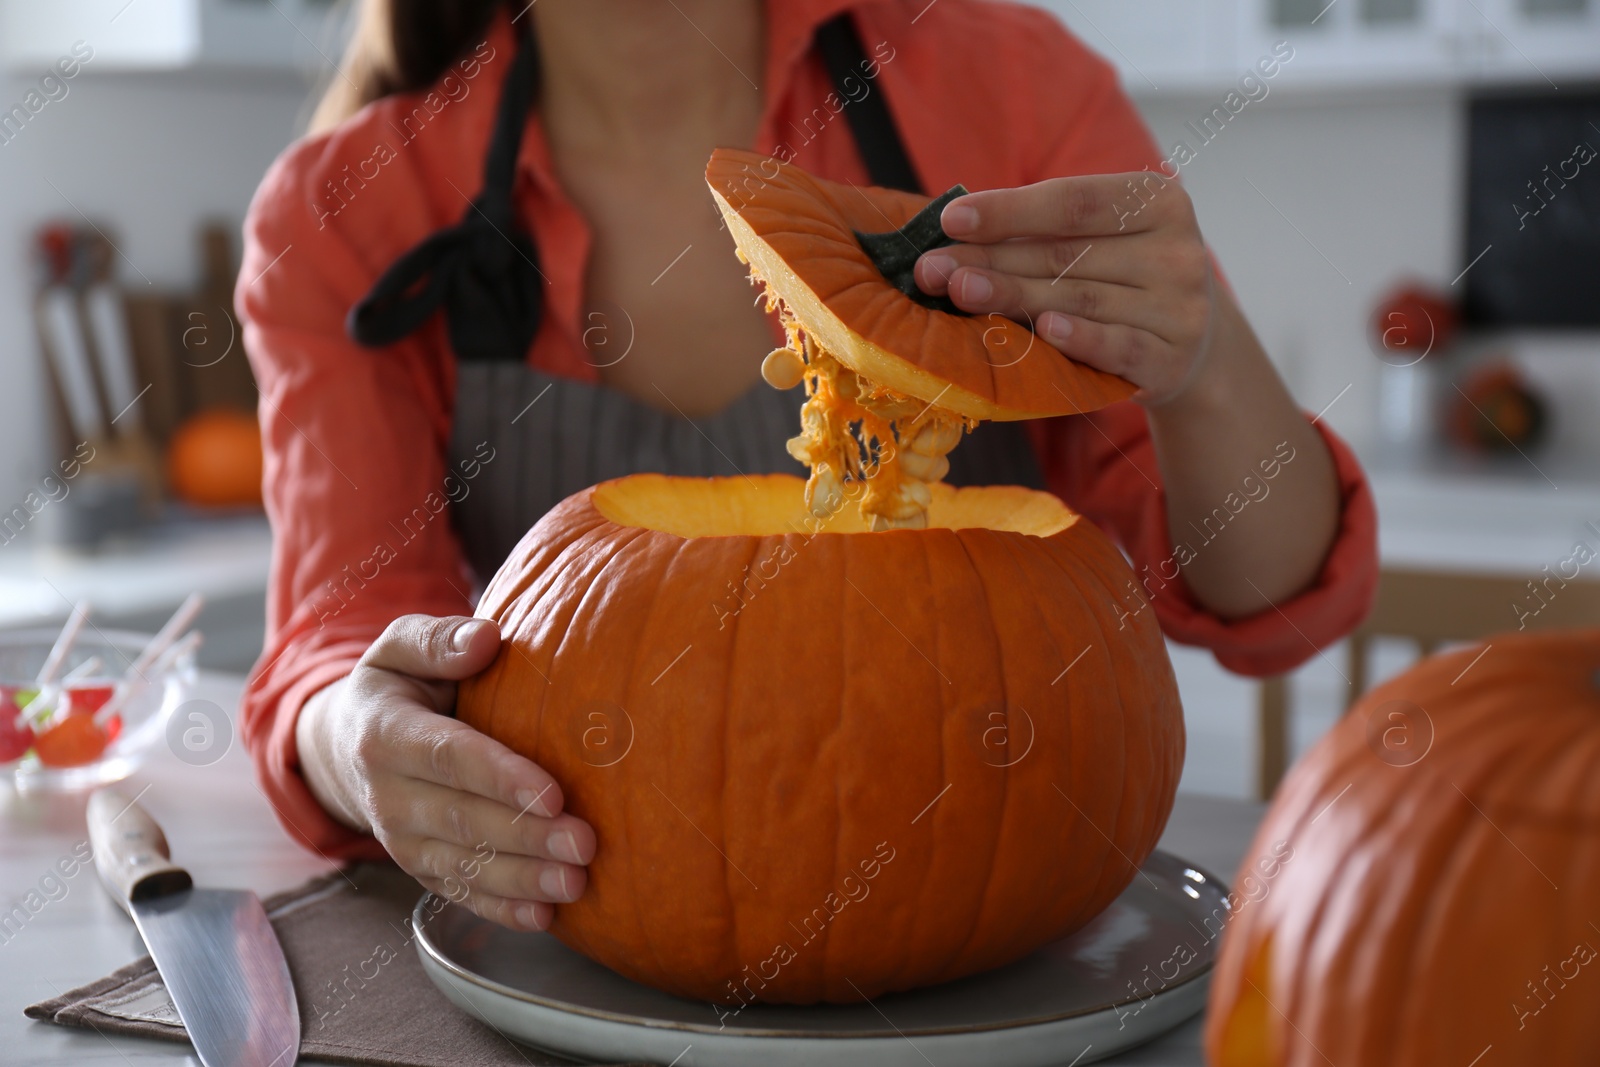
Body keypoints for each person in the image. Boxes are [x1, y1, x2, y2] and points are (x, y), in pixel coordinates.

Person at [238, 0, 1377, 934]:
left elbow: (1267, 599)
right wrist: (357, 744)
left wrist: (1204, 365)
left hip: (990, 884)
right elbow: (342, 634)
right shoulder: (342, 209)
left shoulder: (1007, 84)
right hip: (586, 918)